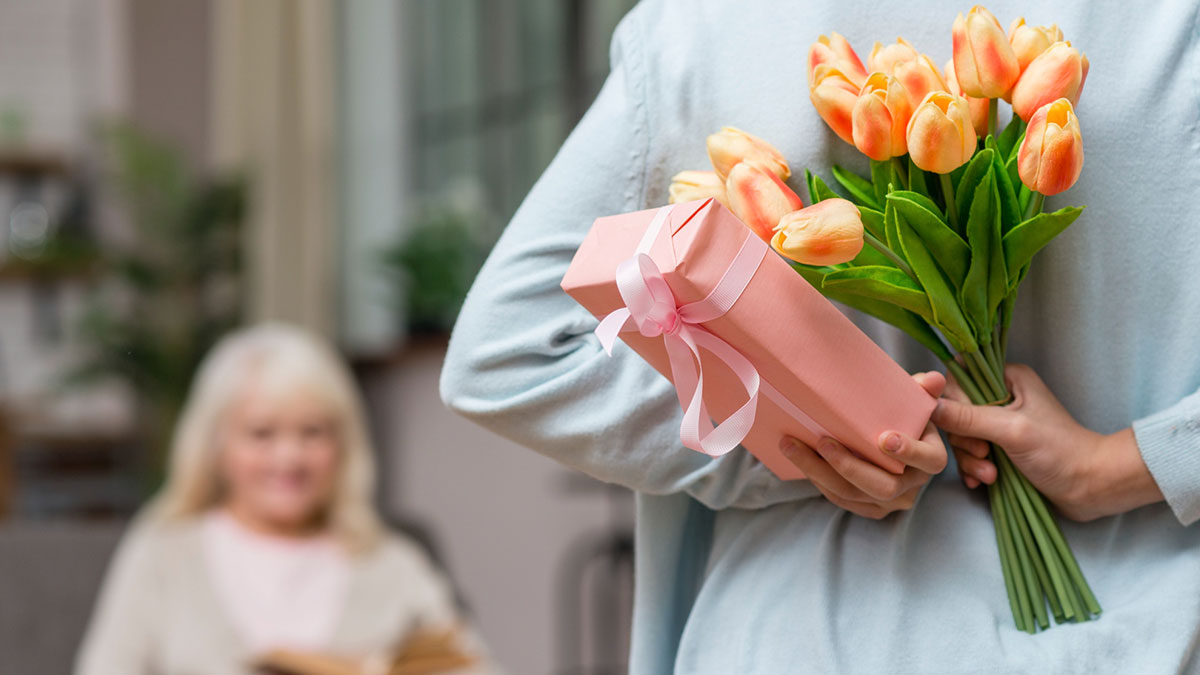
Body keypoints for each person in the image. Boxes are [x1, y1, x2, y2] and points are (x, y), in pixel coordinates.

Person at [440, 1, 1200, 672]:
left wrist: (804, 438)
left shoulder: (705, 26)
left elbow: (508, 353)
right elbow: (504, 353)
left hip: (807, 631)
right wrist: (1127, 465)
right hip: (1146, 618)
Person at [77, 324, 486, 675]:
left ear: (343, 445)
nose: (289, 458)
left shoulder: (393, 564)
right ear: (216, 446)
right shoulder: (162, 554)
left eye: (312, 432)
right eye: (261, 433)